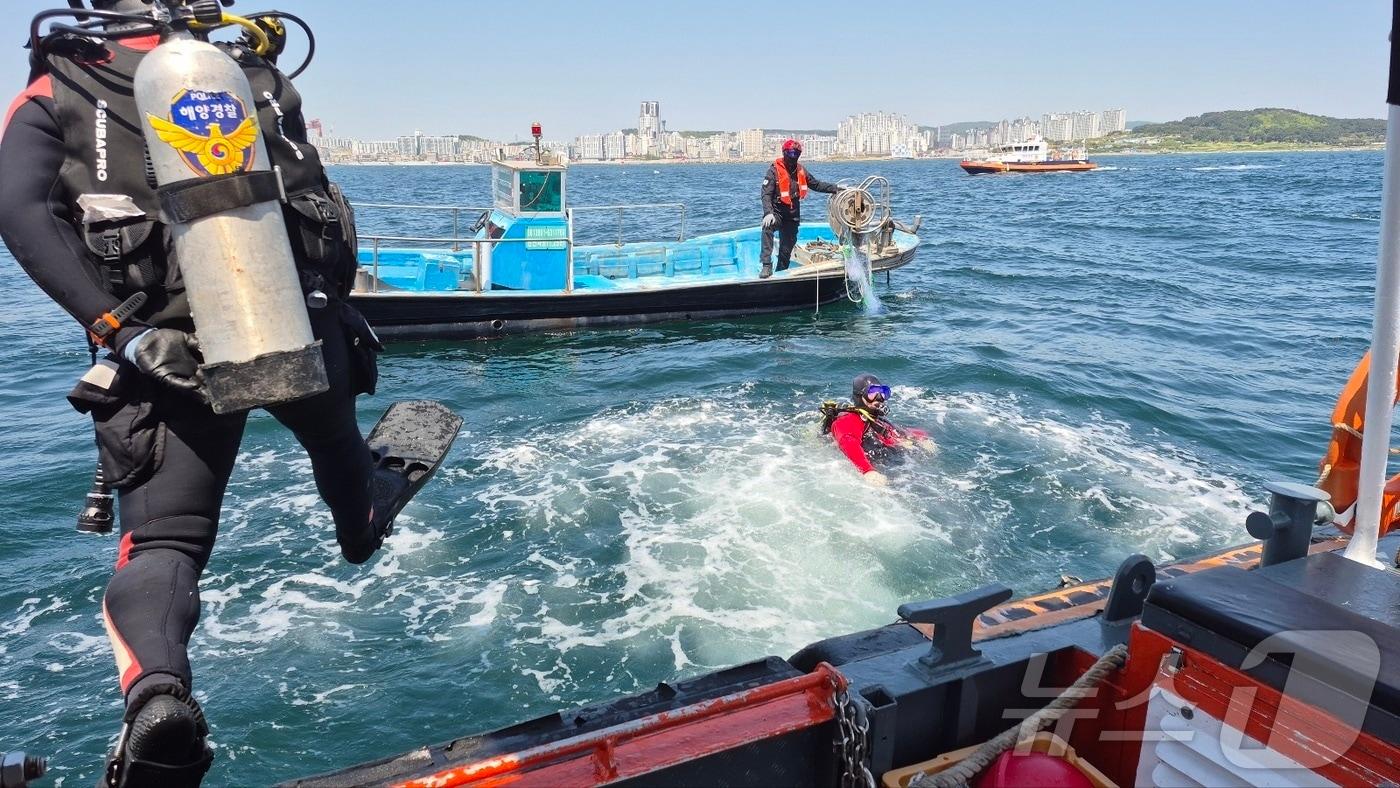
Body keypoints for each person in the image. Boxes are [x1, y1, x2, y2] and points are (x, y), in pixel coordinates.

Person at [0, 3, 455, 785]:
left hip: (162, 351)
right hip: (296, 325)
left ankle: (158, 698)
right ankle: (361, 520)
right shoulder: (253, 73)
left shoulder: (55, 86)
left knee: (166, 543)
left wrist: (118, 330)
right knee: (341, 451)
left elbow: (19, 210)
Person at [820, 374, 933, 486]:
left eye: (882, 393)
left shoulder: (876, 420)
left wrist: (920, 437)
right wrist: (868, 471)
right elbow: (848, 441)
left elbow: (896, 432)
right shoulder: (848, 420)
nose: (879, 398)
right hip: (882, 470)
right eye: (872, 393)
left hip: (898, 463)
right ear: (860, 396)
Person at [758, 138, 843, 279]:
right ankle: (766, 265)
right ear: (785, 153)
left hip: (792, 215)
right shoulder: (773, 171)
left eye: (797, 153)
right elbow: (765, 194)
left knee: (787, 248)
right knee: (767, 227)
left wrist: (836, 189)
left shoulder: (801, 170)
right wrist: (768, 213)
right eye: (791, 153)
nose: (793, 156)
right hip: (777, 213)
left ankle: (780, 271)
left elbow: (816, 184)